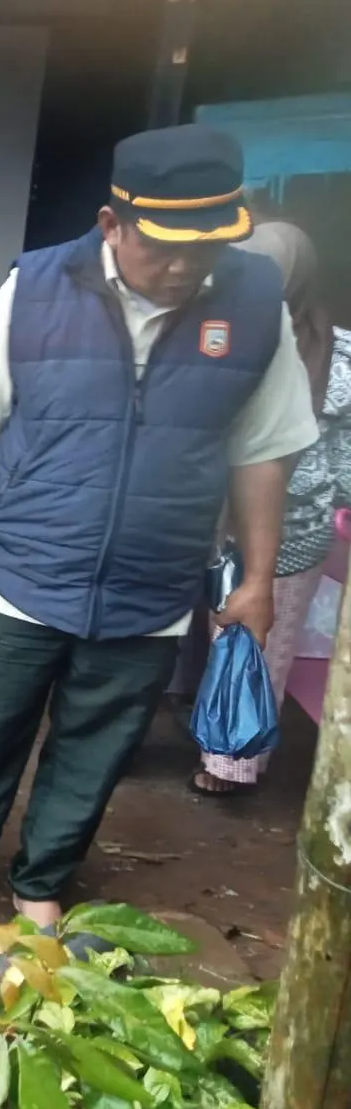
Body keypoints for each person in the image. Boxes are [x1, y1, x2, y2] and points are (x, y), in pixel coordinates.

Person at [0, 126, 319, 945]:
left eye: (209, 246)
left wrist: (257, 579)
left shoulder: (254, 303)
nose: (189, 266)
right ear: (113, 224)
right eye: (166, 246)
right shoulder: (39, 287)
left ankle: (40, 881)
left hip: (152, 582)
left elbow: (264, 452)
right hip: (22, 570)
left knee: (94, 751)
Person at [192, 221, 351, 795]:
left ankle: (232, 763)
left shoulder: (339, 358)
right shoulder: (217, 332)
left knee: (257, 645)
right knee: (222, 639)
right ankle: (212, 739)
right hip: (206, 519)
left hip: (287, 530)